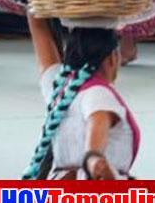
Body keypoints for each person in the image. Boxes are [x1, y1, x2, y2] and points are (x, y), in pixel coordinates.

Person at [24, 17, 139, 180]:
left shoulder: (59, 86)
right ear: (113, 58)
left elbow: (41, 35)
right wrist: (93, 158)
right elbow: (97, 119)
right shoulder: (99, 93)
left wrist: (31, 5)